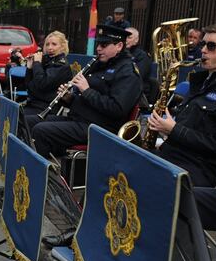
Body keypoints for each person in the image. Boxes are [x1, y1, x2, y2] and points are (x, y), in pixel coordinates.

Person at [148, 23, 216, 187]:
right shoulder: (200, 80)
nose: (203, 50)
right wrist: (164, 128)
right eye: (203, 44)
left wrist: (175, 130)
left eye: (211, 46)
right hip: (170, 155)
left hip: (197, 169)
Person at [31, 24, 142, 161]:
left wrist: (87, 90)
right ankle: (58, 166)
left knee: (41, 131)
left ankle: (46, 175)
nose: (98, 49)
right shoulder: (100, 64)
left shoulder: (127, 72)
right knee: (31, 122)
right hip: (82, 120)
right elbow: (86, 104)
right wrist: (69, 99)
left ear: (119, 46)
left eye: (104, 45)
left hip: (100, 128)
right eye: (98, 45)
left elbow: (117, 109)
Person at [21, 30, 73, 120]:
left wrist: (37, 63)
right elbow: (29, 87)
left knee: (13, 117)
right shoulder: (46, 61)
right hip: (33, 104)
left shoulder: (62, 66)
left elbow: (42, 83)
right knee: (0, 113)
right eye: (47, 44)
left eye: (54, 44)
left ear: (62, 47)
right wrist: (29, 69)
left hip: (46, 109)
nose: (50, 48)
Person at [125, 27, 157, 105]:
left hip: (138, 94)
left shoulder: (142, 56)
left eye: (129, 37)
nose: (126, 39)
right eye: (124, 37)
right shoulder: (119, 53)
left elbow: (138, 77)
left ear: (136, 40)